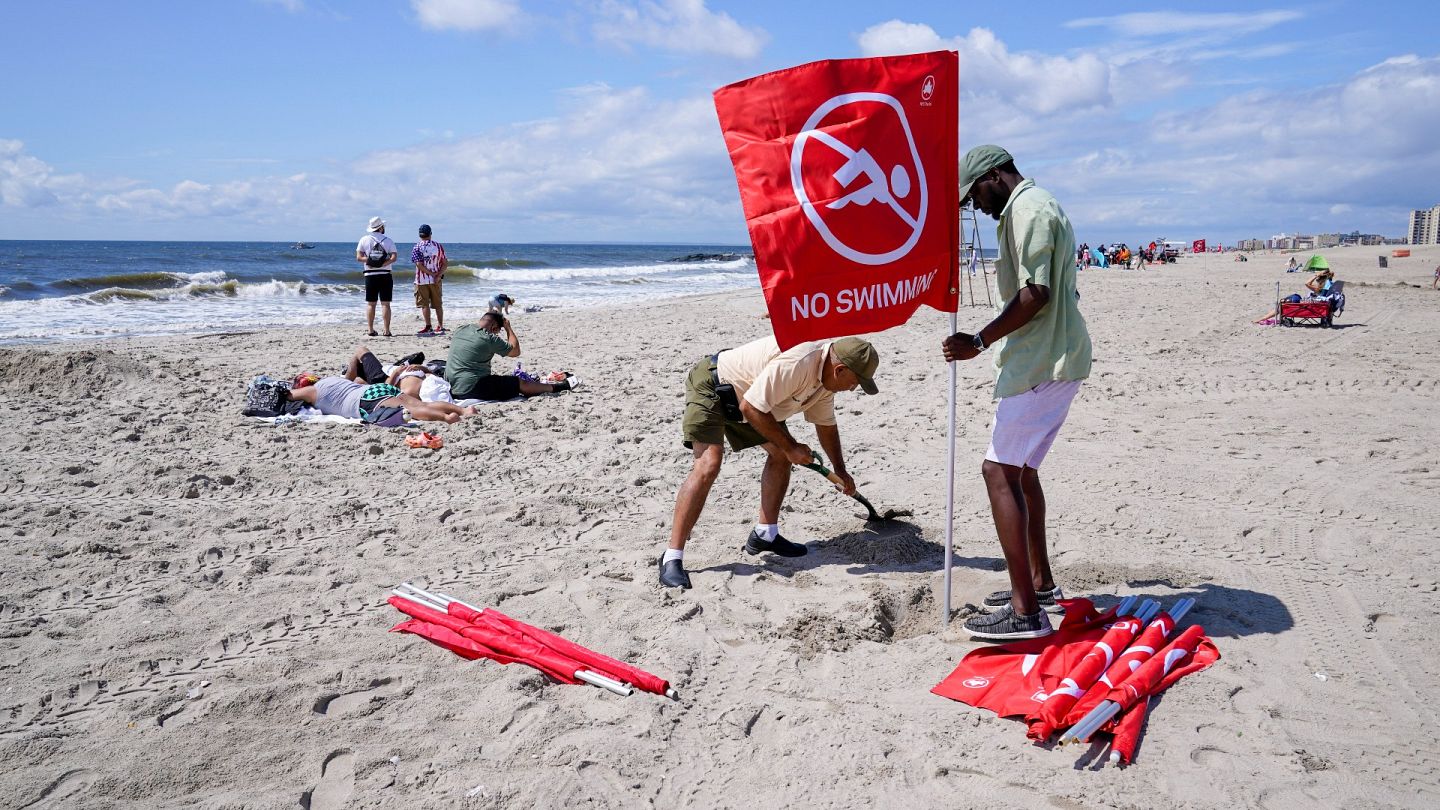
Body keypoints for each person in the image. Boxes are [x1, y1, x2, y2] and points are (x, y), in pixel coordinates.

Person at [941, 145, 1092, 641]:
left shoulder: (1029, 208)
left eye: (974, 197)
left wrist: (979, 340)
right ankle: (1040, 585)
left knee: (998, 472)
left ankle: (1026, 613)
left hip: (1043, 360)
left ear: (993, 177)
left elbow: (1037, 292)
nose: (975, 209)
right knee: (1022, 473)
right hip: (1050, 355)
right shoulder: (1028, 207)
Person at [658, 336, 879, 589]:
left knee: (781, 456)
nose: (853, 389)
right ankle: (671, 557)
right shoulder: (799, 362)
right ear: (839, 370)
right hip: (716, 385)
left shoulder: (827, 382)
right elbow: (751, 407)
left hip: (751, 401)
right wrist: (791, 447)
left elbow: (826, 426)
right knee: (709, 464)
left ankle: (765, 534)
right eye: (855, 383)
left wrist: (840, 470)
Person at [445, 312, 581, 401]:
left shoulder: (461, 329)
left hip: (451, 385)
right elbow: (515, 351)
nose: (498, 334)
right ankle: (558, 387)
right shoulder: (489, 338)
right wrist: (508, 328)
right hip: (470, 388)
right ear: (493, 327)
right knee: (519, 383)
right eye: (499, 331)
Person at [356, 217, 398, 337]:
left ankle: (370, 330)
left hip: (370, 275)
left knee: (371, 304)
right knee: (385, 304)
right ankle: (386, 330)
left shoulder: (364, 239)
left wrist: (371, 262)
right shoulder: (388, 240)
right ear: (381, 227)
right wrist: (382, 264)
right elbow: (394, 257)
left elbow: (359, 257)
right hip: (385, 275)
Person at [410, 224, 447, 336]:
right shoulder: (438, 246)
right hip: (436, 280)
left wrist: (430, 274)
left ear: (420, 235)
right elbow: (445, 263)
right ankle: (440, 326)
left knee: (425, 304)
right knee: (438, 304)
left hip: (422, 280)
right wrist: (438, 275)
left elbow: (419, 265)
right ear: (430, 233)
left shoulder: (417, 247)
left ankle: (428, 326)